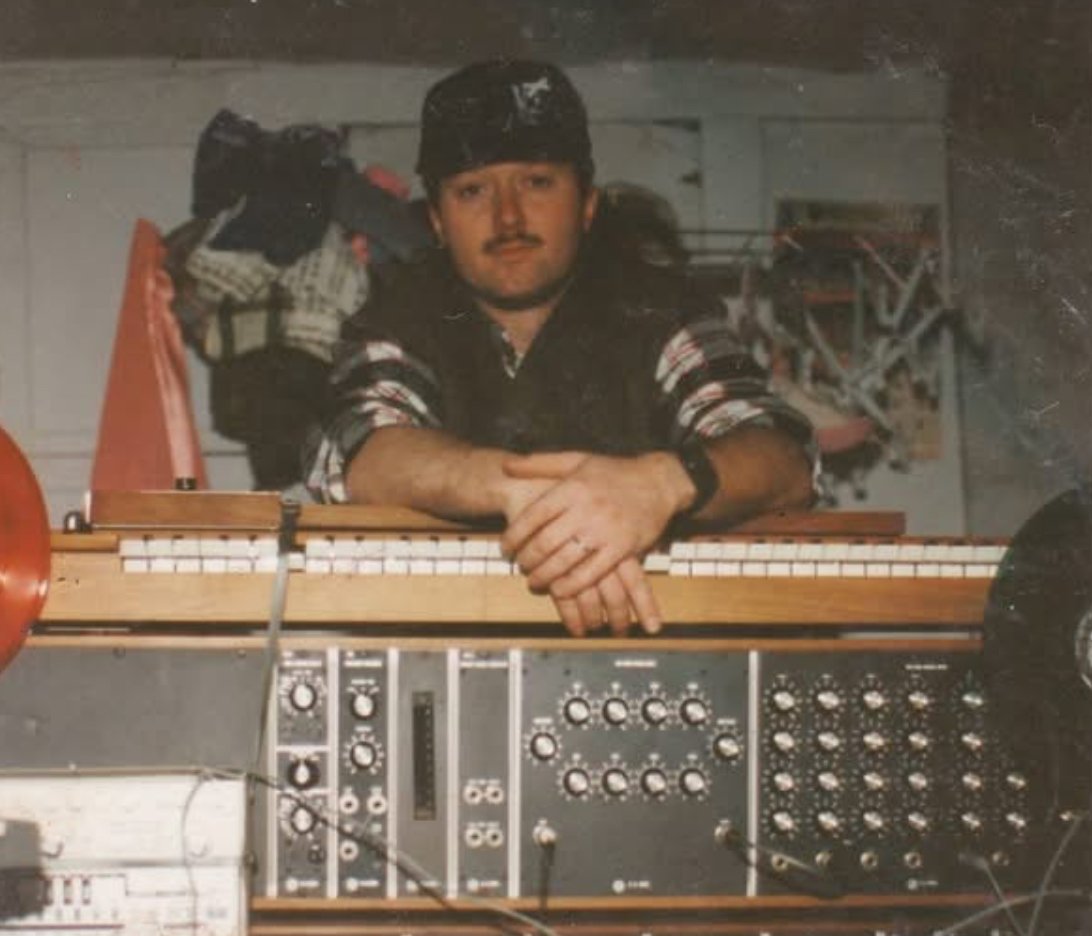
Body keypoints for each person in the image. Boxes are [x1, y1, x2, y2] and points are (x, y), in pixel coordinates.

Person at [305, 59, 817, 637]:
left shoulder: (663, 309)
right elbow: (360, 452)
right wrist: (533, 495)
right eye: (472, 191)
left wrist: (661, 484)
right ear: (438, 221)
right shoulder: (397, 314)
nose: (507, 217)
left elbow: (784, 460)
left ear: (587, 204)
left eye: (537, 182)